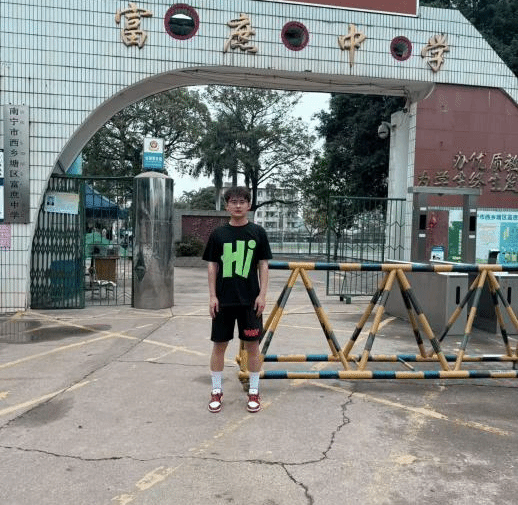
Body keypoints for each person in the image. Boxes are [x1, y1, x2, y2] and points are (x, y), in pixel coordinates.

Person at [202, 186, 272, 413]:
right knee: (219, 345)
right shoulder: (218, 234)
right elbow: (212, 266)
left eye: (242, 201)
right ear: (227, 206)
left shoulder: (258, 232)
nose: (238, 205)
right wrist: (212, 296)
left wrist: (262, 295)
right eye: (233, 201)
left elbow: (263, 265)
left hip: (250, 301)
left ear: (249, 205)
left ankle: (254, 391)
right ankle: (216, 390)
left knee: (253, 347)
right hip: (223, 301)